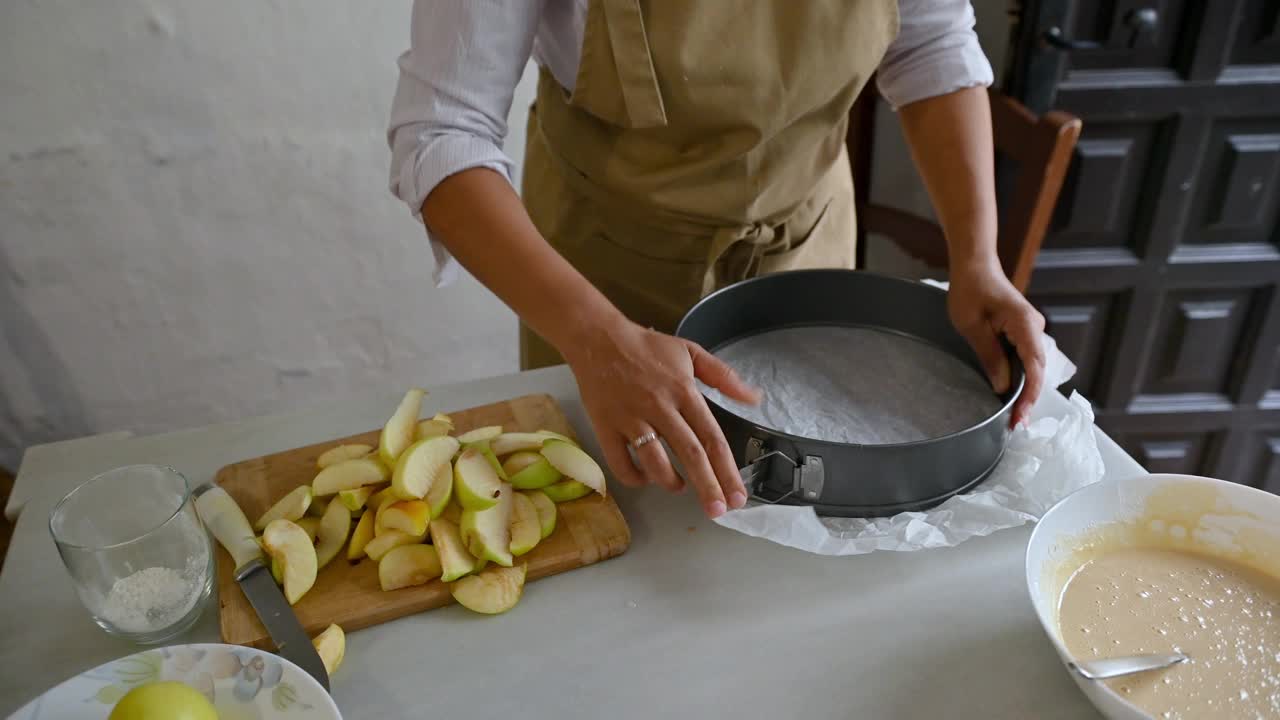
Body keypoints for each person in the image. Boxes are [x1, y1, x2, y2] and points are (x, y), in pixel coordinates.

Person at [387, 0, 1047, 521]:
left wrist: (977, 259)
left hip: (807, 254)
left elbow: (931, 44)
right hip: (605, 282)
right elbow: (443, 131)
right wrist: (596, 340)